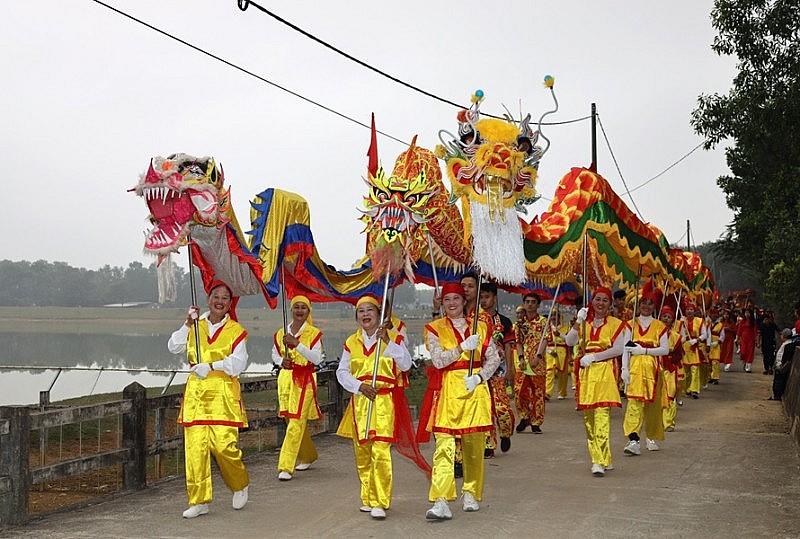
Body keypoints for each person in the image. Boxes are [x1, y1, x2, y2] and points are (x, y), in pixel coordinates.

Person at [335, 295, 429, 520]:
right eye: (361, 311)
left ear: (379, 314)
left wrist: (388, 341)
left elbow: (405, 365)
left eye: (370, 310)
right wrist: (359, 386)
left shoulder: (393, 337)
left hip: (384, 401)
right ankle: (368, 497)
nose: (365, 315)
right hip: (360, 402)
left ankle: (380, 500)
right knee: (363, 452)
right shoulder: (351, 342)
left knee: (380, 450)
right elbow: (342, 372)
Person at [416, 281, 502, 520]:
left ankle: (471, 492)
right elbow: (438, 361)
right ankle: (441, 500)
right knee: (444, 447)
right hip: (448, 391)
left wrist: (480, 377)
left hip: (475, 390)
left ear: (464, 301)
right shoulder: (434, 328)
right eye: (446, 299)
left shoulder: (480, 327)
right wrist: (461, 347)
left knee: (474, 447)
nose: (451, 303)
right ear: (441, 303)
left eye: (456, 298)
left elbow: (494, 358)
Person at [168, 280, 249, 518]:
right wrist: (187, 323)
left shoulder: (236, 330)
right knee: (195, 450)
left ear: (230, 303)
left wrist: (212, 366)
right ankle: (199, 500)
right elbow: (173, 346)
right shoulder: (195, 325)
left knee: (224, 447)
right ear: (208, 299)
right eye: (216, 296)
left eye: (225, 298)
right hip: (196, 394)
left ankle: (239, 483)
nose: (219, 301)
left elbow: (238, 364)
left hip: (222, 395)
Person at [565, 286, 627, 476]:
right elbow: (569, 341)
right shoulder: (585, 322)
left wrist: (594, 357)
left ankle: (597, 460)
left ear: (610, 304)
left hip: (605, 372)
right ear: (592, 301)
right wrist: (578, 321)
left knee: (602, 416)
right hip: (586, 375)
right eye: (597, 299)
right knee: (589, 419)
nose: (600, 303)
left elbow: (618, 349)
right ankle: (605, 457)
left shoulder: (616, 324)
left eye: (605, 300)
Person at [272, 295, 324, 481]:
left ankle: (285, 466)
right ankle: (308, 455)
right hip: (286, 379)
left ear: (308, 311)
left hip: (304, 380)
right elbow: (274, 354)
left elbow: (317, 358)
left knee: (296, 421)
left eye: (303, 307)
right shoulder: (281, 333)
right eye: (296, 307)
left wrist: (297, 345)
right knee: (291, 420)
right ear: (291, 309)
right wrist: (281, 361)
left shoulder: (313, 334)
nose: (299, 310)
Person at [621, 292, 669, 455]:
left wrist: (645, 350)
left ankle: (650, 436)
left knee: (652, 406)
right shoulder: (630, 325)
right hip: (634, 370)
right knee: (634, 404)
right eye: (643, 303)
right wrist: (624, 369)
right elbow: (625, 349)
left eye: (650, 303)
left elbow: (665, 349)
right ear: (639, 304)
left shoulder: (659, 326)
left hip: (653, 372)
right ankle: (633, 439)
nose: (646, 306)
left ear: (654, 306)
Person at [478, 283, 516, 455]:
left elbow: (508, 346)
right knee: (485, 408)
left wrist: (510, 369)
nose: (483, 301)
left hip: (499, 371)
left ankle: (505, 433)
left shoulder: (505, 321)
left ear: (494, 298)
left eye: (487, 297)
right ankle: (488, 445)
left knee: (502, 408)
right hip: (480, 371)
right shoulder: (474, 321)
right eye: (481, 297)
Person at [515, 292, 548, 433]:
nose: (530, 304)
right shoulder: (519, 323)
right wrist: (521, 358)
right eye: (527, 301)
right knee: (519, 391)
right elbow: (518, 342)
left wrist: (538, 357)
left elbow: (545, 340)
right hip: (523, 362)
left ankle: (536, 421)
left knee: (538, 393)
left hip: (538, 363)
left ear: (538, 305)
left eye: (533, 302)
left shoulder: (543, 321)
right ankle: (525, 416)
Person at [659, 306, 684, 432]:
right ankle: (657, 423)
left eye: (669, 317)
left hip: (670, 370)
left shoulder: (676, 336)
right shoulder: (654, 333)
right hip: (657, 368)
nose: (666, 319)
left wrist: (670, 359)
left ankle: (669, 423)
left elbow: (680, 354)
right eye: (664, 316)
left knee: (670, 394)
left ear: (672, 321)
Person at [545, 308, 573, 400]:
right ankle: (547, 392)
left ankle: (562, 392)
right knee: (549, 371)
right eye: (552, 315)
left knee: (562, 373)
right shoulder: (547, 328)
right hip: (550, 351)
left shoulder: (566, 327)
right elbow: (543, 342)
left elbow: (569, 341)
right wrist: (549, 351)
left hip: (562, 351)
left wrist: (559, 335)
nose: (554, 317)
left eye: (556, 315)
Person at [681, 303, 707, 398]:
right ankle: (686, 389)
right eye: (687, 309)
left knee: (695, 369)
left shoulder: (699, 321)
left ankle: (694, 390)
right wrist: (680, 324)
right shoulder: (682, 321)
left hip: (695, 347)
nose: (689, 311)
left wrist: (697, 340)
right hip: (685, 347)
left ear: (694, 311)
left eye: (691, 309)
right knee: (686, 370)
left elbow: (704, 334)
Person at [770, 328, 797, 400]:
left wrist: (780, 365)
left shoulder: (788, 345)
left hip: (781, 367)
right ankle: (776, 395)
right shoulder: (786, 344)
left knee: (778, 382)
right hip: (780, 366)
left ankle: (777, 395)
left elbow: (783, 357)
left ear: (784, 336)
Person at [736, 308, 758, 372]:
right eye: (746, 313)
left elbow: (755, 331)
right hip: (743, 339)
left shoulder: (753, 322)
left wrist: (757, 340)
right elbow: (739, 330)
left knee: (750, 352)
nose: (747, 314)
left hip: (751, 339)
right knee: (743, 352)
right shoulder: (742, 321)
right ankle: (745, 362)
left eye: (748, 313)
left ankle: (749, 366)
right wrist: (737, 338)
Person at [707, 311, 726, 384]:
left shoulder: (720, 325)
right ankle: (709, 377)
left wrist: (718, 342)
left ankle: (715, 378)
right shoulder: (707, 324)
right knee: (709, 362)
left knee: (715, 361)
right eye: (712, 315)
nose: (714, 317)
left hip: (716, 345)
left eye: (715, 316)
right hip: (708, 344)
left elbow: (722, 335)